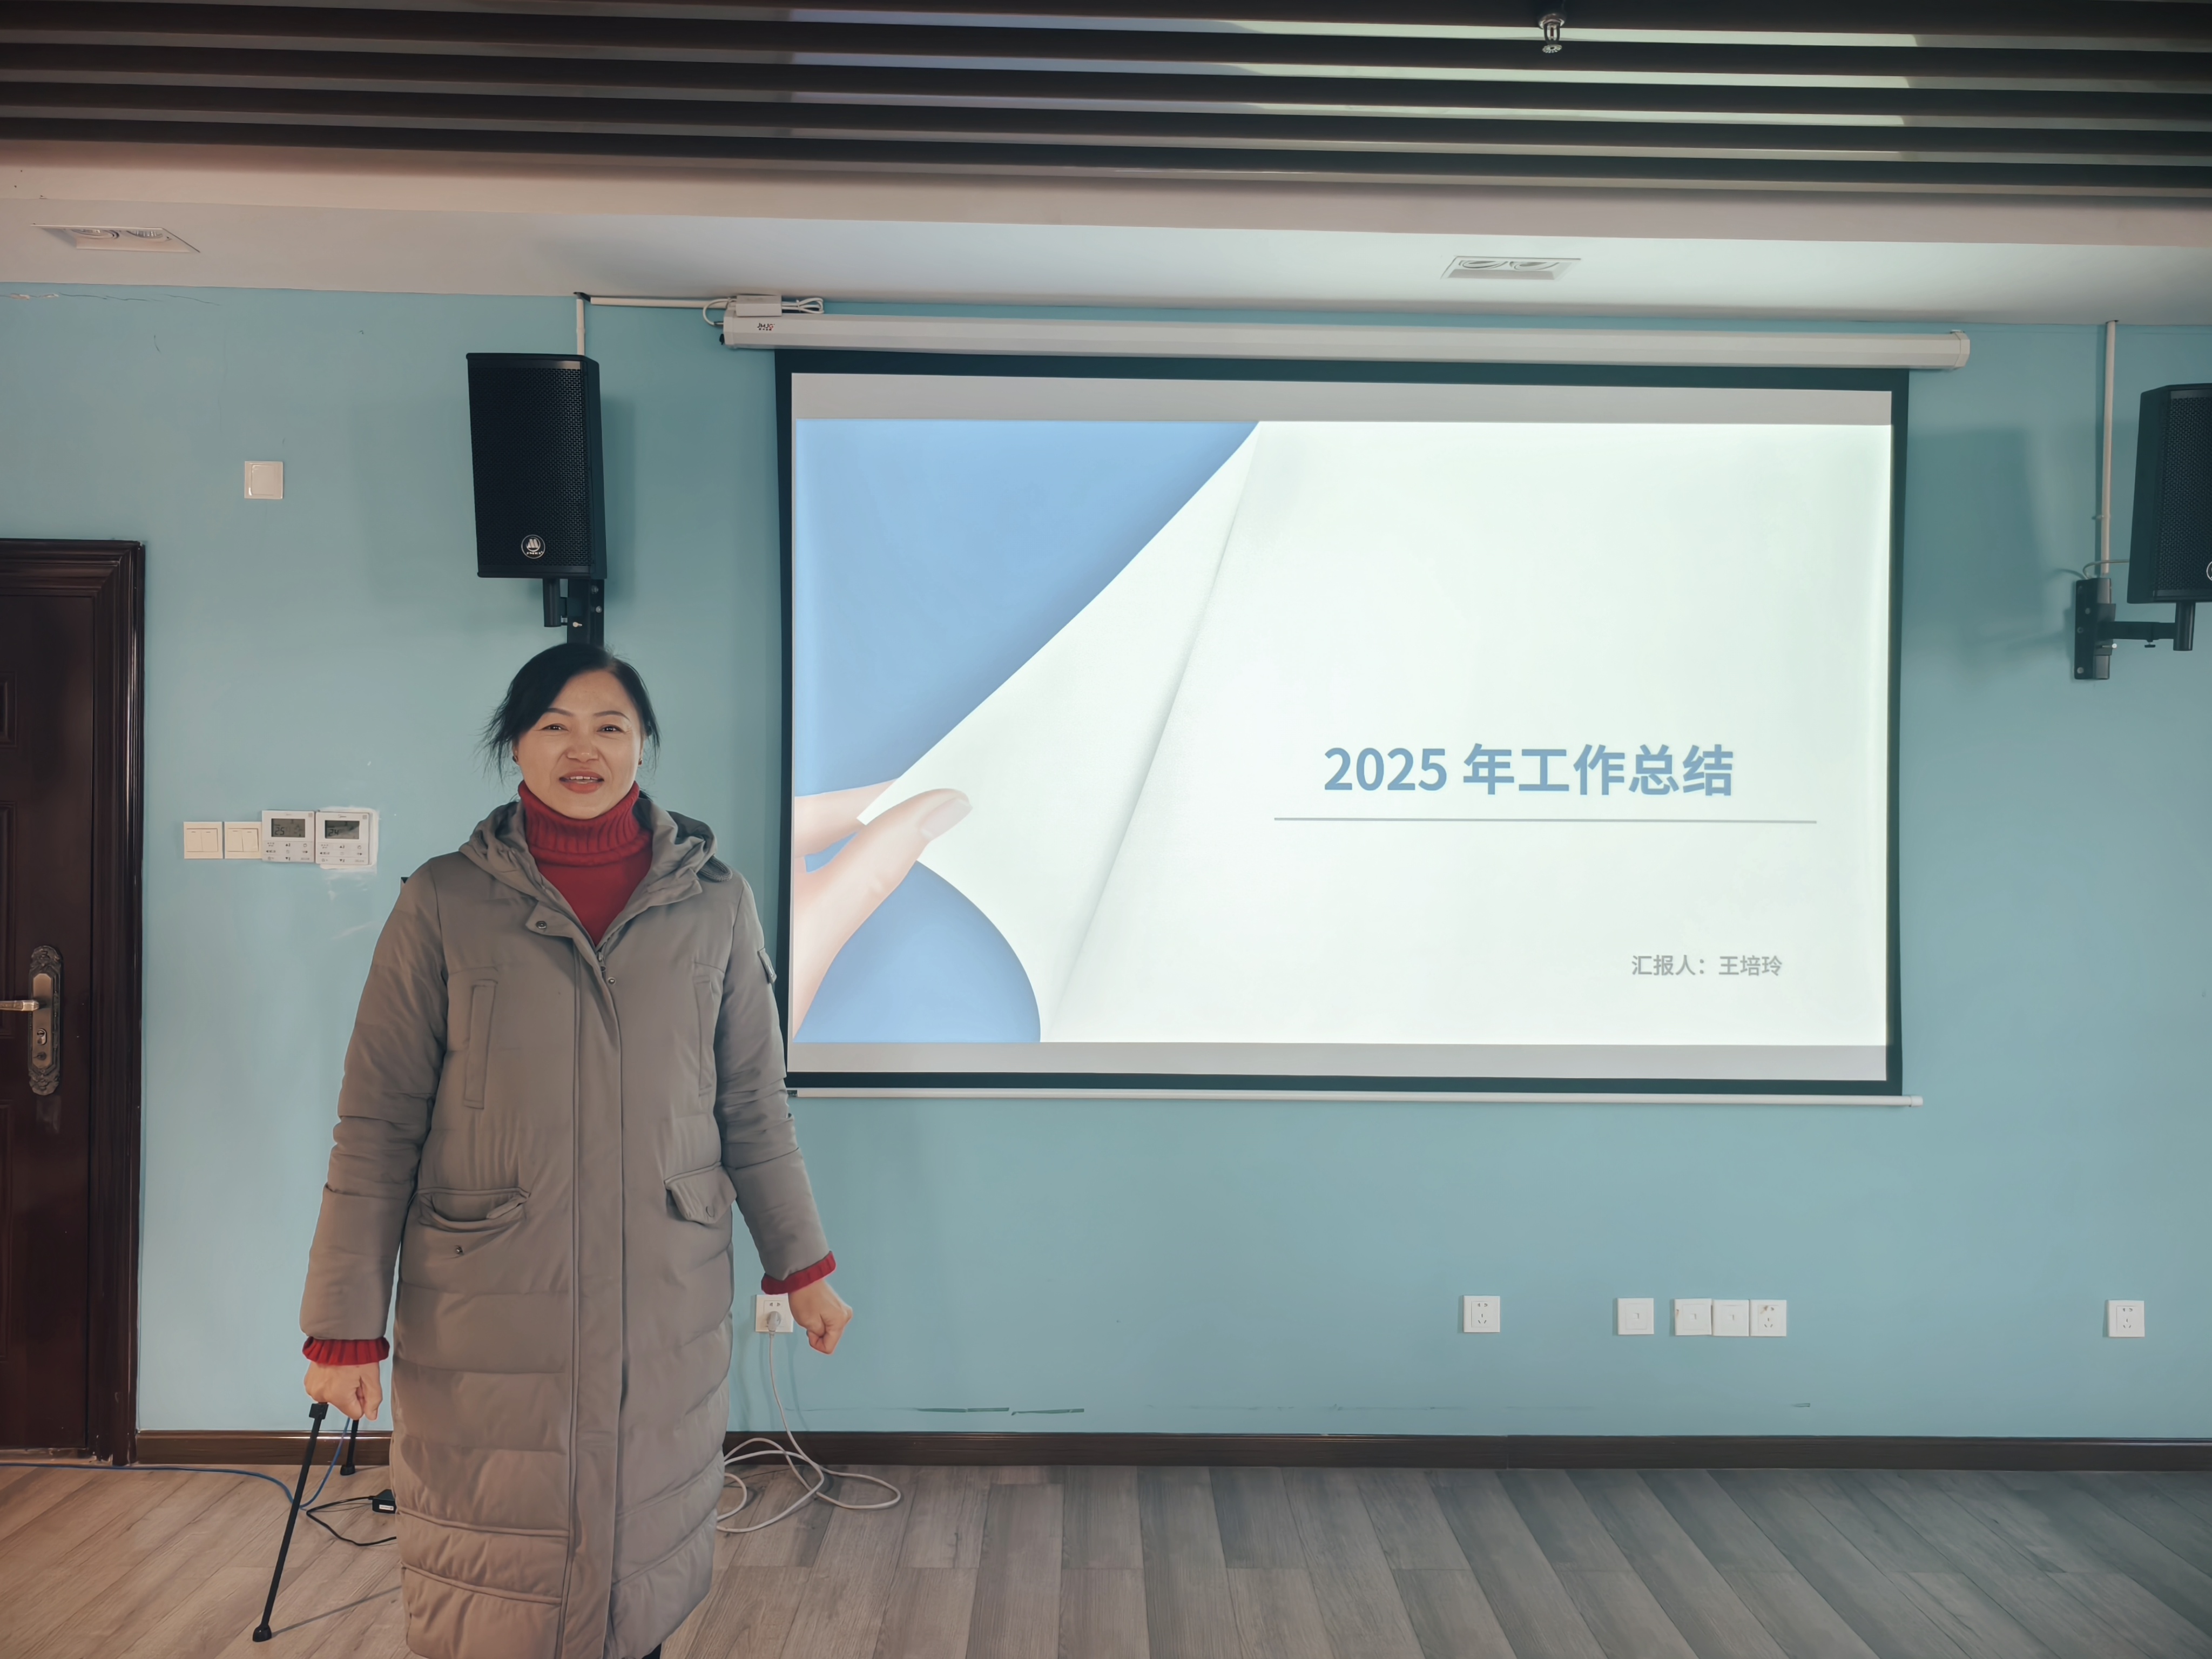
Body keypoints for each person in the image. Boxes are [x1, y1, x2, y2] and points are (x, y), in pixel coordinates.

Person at [296, 642, 850, 1659]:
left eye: (609, 727)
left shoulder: (716, 902)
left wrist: (802, 1266)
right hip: (488, 1292)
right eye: (553, 726)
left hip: (664, 1285)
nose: (581, 749)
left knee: (641, 1557)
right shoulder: (442, 901)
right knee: (497, 1574)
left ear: (644, 747)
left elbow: (752, 1105)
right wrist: (343, 1329)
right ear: (514, 745)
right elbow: (377, 1122)